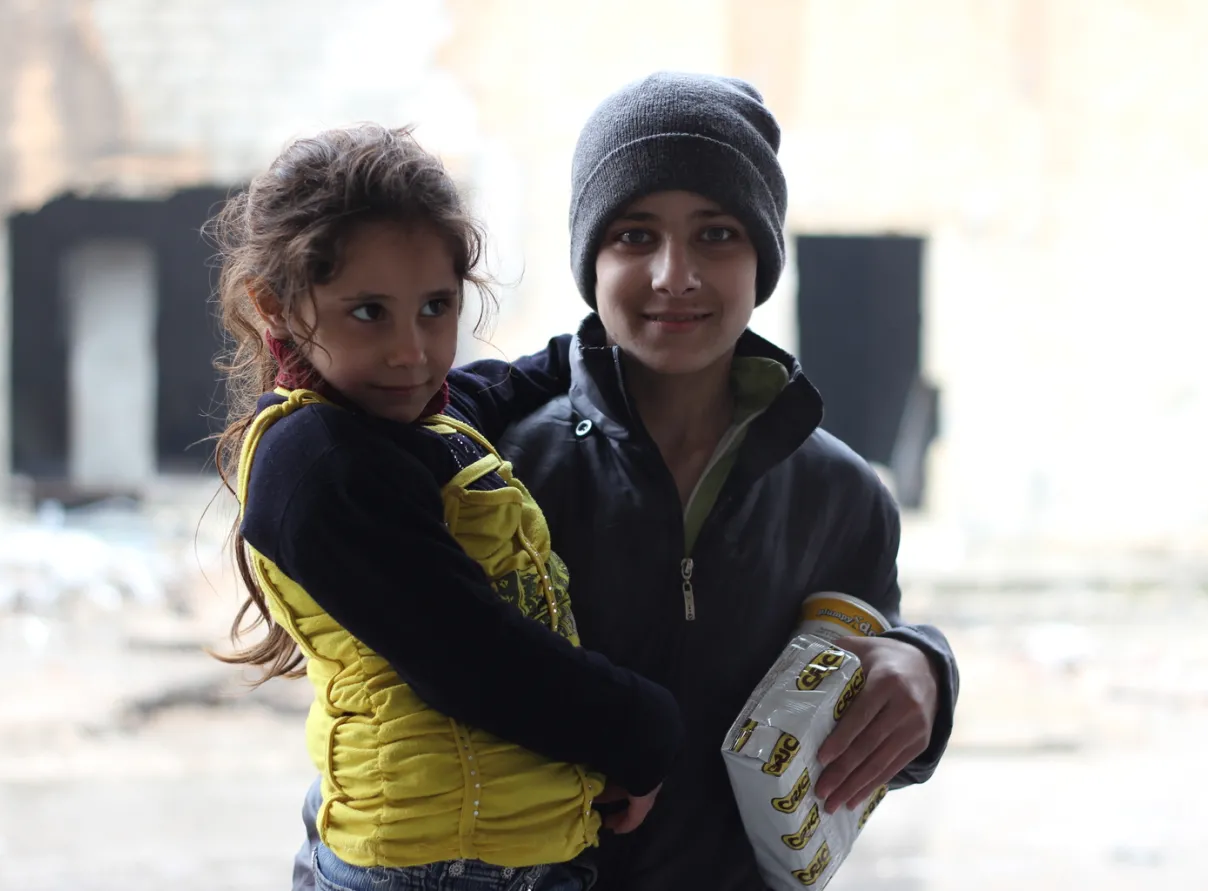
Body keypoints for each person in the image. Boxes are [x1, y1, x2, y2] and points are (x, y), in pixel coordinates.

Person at [293, 73, 959, 890]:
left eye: (716, 234)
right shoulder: (485, 467)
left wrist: (924, 668)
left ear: (763, 257)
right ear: (590, 258)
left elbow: (843, 720)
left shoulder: (843, 494)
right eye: (635, 235)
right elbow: (384, 740)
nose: (673, 274)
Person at [211, 123, 684, 891]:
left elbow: (485, 390)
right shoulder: (321, 465)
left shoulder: (399, 418)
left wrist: (587, 350)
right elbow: (475, 661)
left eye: (436, 306)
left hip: (483, 856)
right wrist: (644, 730)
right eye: (369, 312)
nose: (414, 350)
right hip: (435, 870)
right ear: (277, 306)